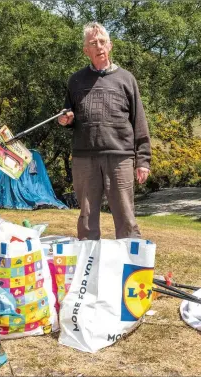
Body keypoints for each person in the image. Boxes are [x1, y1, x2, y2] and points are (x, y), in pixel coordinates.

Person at [58, 22, 151, 240]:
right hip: (84, 157)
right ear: (86, 50)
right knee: (87, 218)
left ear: (109, 45)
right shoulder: (76, 80)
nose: (98, 46)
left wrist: (143, 160)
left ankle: (131, 269)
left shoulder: (126, 79)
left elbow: (139, 120)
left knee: (126, 218)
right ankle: (88, 270)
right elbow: (68, 114)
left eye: (102, 42)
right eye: (93, 43)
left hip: (120, 158)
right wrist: (66, 119)